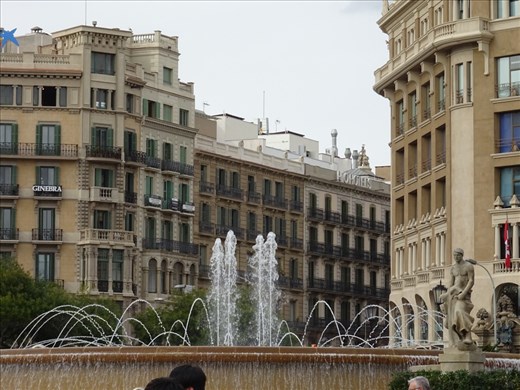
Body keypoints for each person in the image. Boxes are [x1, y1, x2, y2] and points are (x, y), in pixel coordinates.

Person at [440, 248, 475, 347]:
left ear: (462, 255)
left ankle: (468, 335)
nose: (456, 257)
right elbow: (451, 283)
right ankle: (462, 338)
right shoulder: (453, 268)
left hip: (464, 296)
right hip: (453, 295)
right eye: (454, 255)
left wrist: (463, 293)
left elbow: (471, 281)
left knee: (459, 312)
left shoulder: (468, 266)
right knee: (452, 320)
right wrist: (446, 296)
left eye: (458, 255)